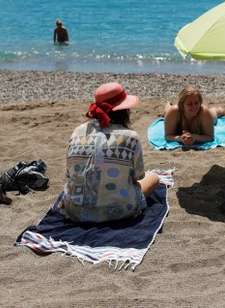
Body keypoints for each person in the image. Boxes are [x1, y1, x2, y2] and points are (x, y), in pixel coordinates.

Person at [60, 82, 159, 223]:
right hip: (120, 212)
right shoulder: (131, 137)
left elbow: (69, 173)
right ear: (124, 110)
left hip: (75, 211)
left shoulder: (78, 131)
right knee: (153, 177)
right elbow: (138, 176)